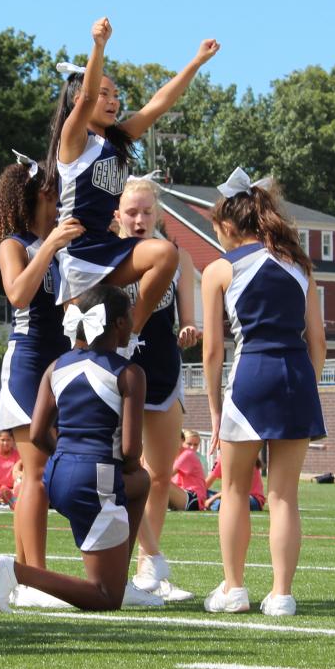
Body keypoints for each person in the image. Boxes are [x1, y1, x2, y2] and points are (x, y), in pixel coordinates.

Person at [0, 286, 159, 612]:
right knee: (106, 598)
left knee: (142, 483)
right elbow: (131, 448)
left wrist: (67, 458)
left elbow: (37, 433)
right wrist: (121, 468)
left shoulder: (57, 366)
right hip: (95, 477)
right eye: (131, 316)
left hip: (57, 472)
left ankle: (118, 573)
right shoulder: (129, 373)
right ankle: (18, 572)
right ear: (119, 323)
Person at [200, 168, 326, 618]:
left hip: (251, 376)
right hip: (295, 376)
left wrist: (215, 412)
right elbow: (319, 343)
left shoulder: (219, 269)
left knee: (234, 490)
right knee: (284, 495)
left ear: (229, 226)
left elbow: (213, 351)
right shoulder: (300, 265)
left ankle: (234, 588)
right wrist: (304, 386)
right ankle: (282, 594)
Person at [45, 17, 218, 339]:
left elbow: (157, 105)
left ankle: (131, 335)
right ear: (80, 99)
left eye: (116, 95)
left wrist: (195, 62)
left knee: (165, 254)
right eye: (104, 94)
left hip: (109, 246)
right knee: (84, 344)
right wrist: (99, 46)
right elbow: (85, 97)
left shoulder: (116, 140)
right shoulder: (73, 139)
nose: (113, 101)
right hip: (77, 253)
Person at [0, 156, 84, 576]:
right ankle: (38, 577)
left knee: (43, 472)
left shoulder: (62, 249)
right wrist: (49, 246)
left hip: (59, 365)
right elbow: (18, 294)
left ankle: (25, 573)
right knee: (38, 472)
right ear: (41, 194)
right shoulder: (14, 244)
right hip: (28, 363)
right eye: (55, 190)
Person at [113, 176, 199, 602]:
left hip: (163, 369)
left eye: (147, 211)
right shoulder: (105, 255)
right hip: (119, 371)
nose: (140, 219)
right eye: (132, 211)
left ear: (159, 214)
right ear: (117, 214)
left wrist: (189, 327)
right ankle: (142, 557)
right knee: (126, 470)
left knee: (161, 473)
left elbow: (187, 312)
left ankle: (149, 567)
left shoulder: (175, 256)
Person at [170, 431, 207, 510]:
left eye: (195, 444)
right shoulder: (171, 455)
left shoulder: (187, 454)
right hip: (182, 494)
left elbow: (164, 476)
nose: (192, 447)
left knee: (158, 481)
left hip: (193, 497)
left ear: (182, 441)